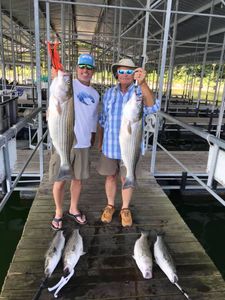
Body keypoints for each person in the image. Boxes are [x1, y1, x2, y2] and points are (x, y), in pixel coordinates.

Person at [97, 58, 159, 227]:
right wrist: (100, 142)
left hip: (130, 147)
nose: (124, 75)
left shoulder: (139, 92)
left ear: (133, 75)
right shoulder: (109, 93)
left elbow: (153, 107)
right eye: (121, 71)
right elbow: (102, 120)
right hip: (109, 145)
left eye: (128, 72)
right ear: (117, 74)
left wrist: (143, 83)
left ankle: (125, 208)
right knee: (110, 177)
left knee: (126, 178)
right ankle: (110, 205)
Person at [49, 54, 99, 230]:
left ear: (93, 71)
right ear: (77, 69)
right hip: (64, 140)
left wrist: (93, 134)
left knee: (78, 180)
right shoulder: (69, 85)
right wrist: (55, 66)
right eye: (82, 67)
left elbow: (93, 117)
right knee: (60, 180)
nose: (85, 70)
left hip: (84, 142)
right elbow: (57, 77)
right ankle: (58, 212)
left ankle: (73, 208)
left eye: (89, 68)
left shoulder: (95, 94)